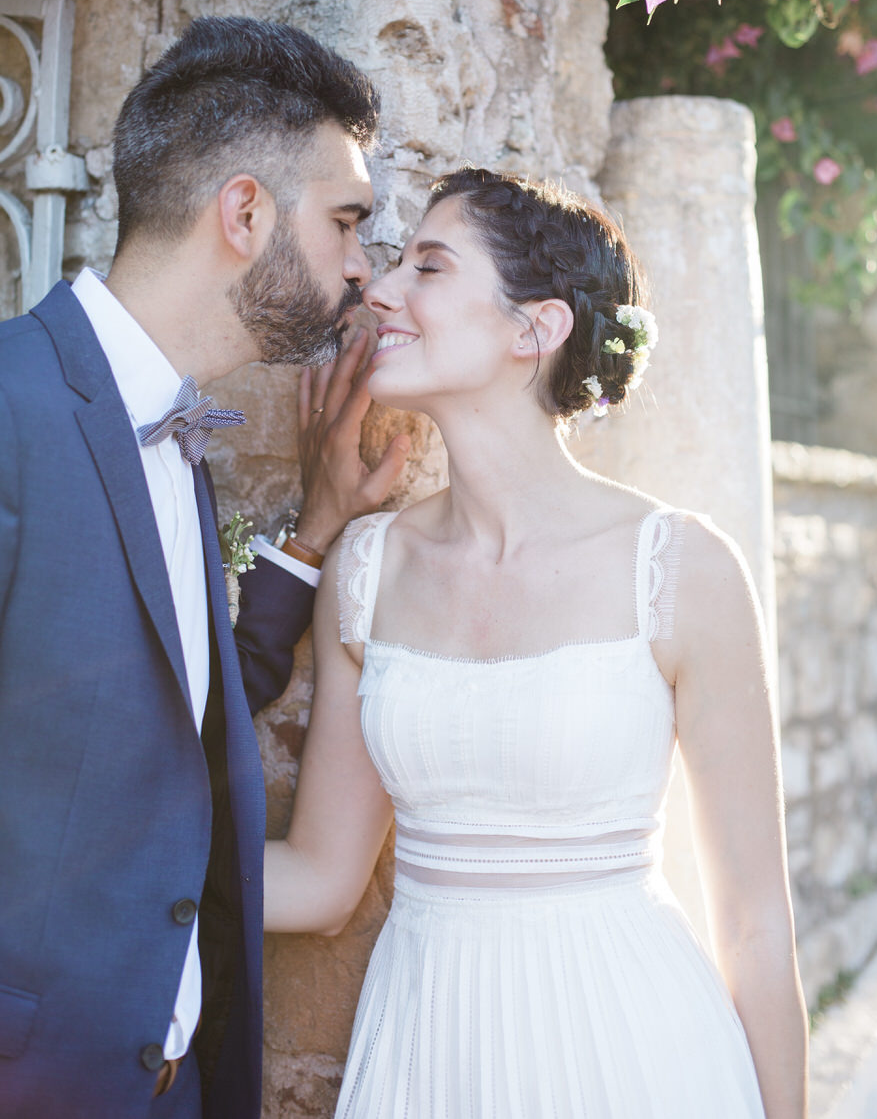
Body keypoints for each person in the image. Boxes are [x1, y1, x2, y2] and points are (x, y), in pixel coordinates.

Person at [264, 167, 809, 1119]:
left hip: (639, 1055)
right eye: (391, 264)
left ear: (535, 328)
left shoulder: (679, 570)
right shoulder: (365, 571)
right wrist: (102, 850)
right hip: (429, 1059)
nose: (380, 289)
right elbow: (320, 882)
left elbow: (756, 925)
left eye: (428, 267)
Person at [0, 16, 409, 1119]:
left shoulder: (175, 435)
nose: (363, 269)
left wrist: (314, 534)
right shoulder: (8, 409)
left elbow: (163, 707)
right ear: (243, 213)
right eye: (346, 222)